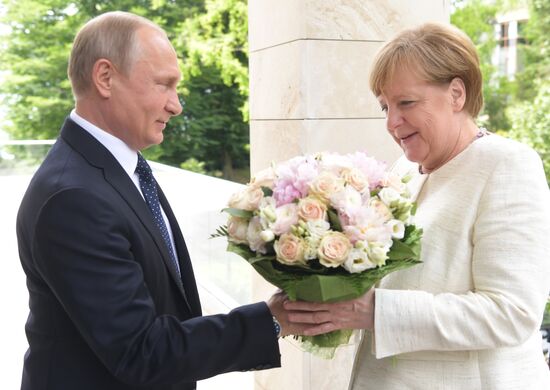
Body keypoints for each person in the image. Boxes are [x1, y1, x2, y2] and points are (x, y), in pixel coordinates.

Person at [16, 11, 302, 390]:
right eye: (164, 85)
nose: (176, 105)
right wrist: (271, 318)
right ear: (105, 77)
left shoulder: (120, 169)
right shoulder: (73, 197)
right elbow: (141, 351)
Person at [284, 22, 550, 389]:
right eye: (385, 107)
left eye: (406, 103)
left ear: (456, 94)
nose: (392, 123)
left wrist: (376, 310)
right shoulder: (405, 170)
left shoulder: (507, 165)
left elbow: (512, 313)